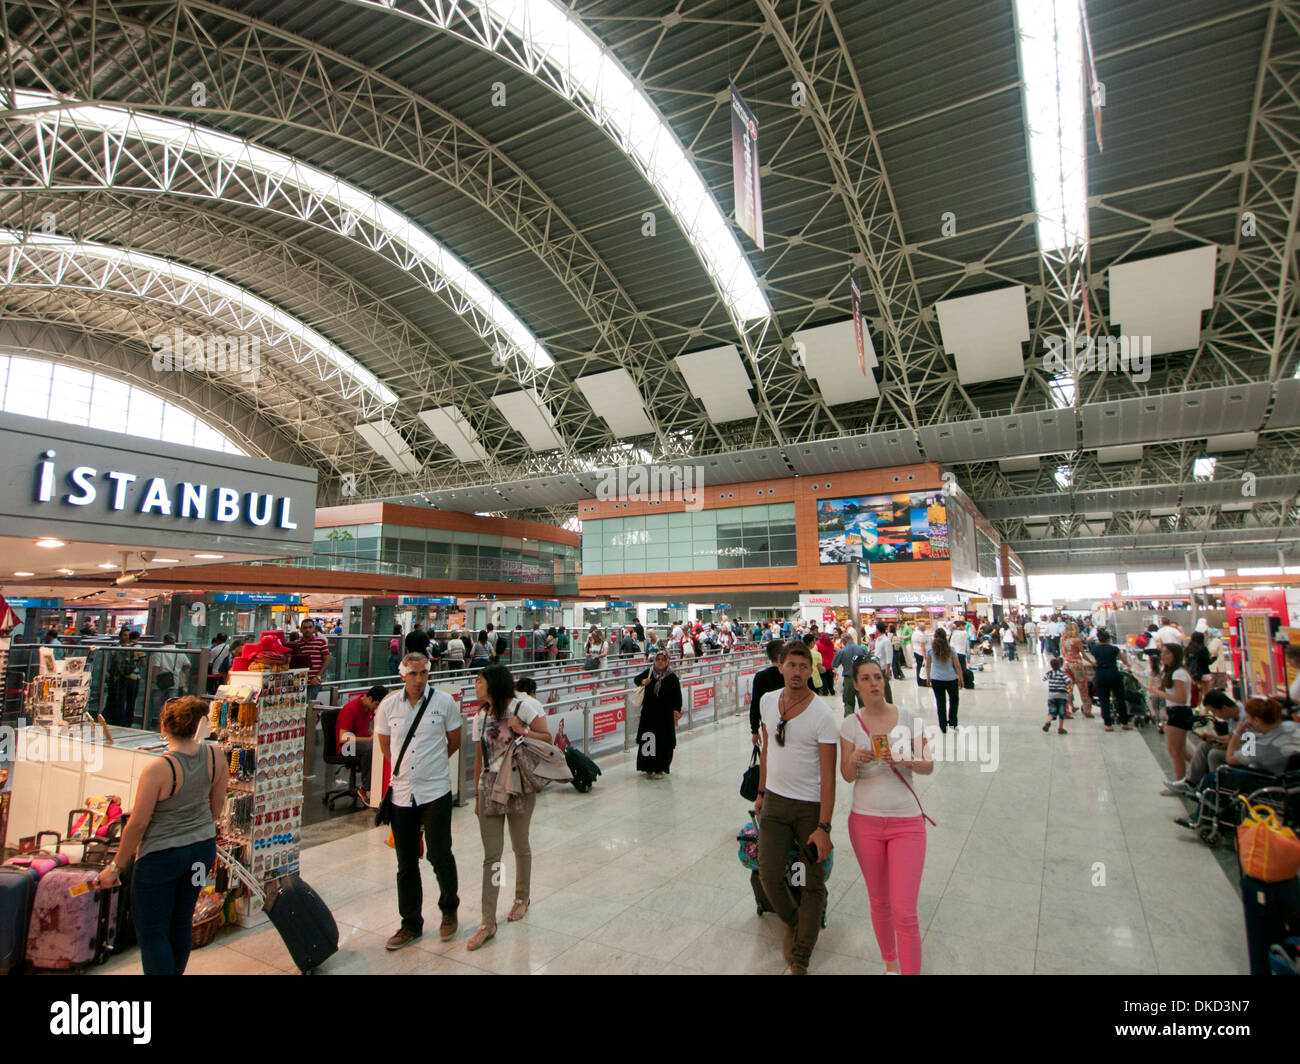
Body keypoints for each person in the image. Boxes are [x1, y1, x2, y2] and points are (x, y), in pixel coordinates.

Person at [91, 696, 226, 974]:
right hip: (202, 853)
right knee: (182, 918)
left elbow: (138, 824)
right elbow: (217, 807)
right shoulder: (216, 755)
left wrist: (116, 866)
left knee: (152, 931)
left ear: (164, 726)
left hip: (161, 859)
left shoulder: (158, 769)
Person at [840, 660, 934, 975]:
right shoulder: (850, 725)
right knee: (879, 901)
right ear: (856, 685)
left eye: (877, 677)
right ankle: (890, 964)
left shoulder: (909, 718)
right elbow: (847, 776)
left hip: (906, 823)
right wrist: (853, 758)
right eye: (865, 679)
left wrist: (905, 758)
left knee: (905, 911)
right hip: (865, 822)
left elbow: (927, 764)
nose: (873, 683)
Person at [754, 642, 838, 975]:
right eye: (791, 665)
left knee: (812, 882)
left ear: (811, 670)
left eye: (804, 667)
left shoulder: (822, 715)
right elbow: (767, 751)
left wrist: (825, 826)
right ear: (780, 666)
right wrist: (760, 793)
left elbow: (829, 778)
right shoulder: (767, 702)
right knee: (769, 874)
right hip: (774, 801)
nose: (797, 672)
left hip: (809, 808)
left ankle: (801, 955)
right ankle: (795, 921)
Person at [375, 653, 462, 950]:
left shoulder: (444, 703)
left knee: (439, 854)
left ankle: (449, 909)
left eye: (424, 673)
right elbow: (386, 747)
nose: (419, 679)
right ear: (402, 675)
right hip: (402, 794)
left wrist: (432, 767)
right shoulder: (388, 706)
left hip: (435, 791)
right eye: (413, 674)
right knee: (406, 863)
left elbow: (454, 741)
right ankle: (410, 923)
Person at [467, 664, 551, 951]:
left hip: (519, 785)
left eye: (479, 681)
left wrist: (523, 730)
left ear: (493, 683)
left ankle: (521, 896)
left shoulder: (524, 706)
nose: (475, 685)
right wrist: (477, 794)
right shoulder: (481, 715)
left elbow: (547, 739)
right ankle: (487, 921)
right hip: (490, 787)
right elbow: (479, 757)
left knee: (519, 844)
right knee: (492, 856)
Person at [1162, 689, 1240, 795]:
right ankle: (1190, 783)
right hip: (1242, 748)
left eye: (1214, 712)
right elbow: (1233, 737)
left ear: (1224, 708)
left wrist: (1227, 745)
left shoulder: (1245, 720)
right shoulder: (1232, 717)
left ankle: (1217, 789)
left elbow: (1248, 746)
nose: (1215, 715)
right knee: (1205, 745)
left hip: (1246, 752)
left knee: (1214, 754)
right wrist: (1215, 738)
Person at [1147, 643, 1194, 791]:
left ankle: (1181, 783)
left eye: (1167, 653)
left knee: (1175, 750)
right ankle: (1197, 773)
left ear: (1175, 655)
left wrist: (1159, 693)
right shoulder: (1173, 672)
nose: (1163, 656)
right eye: (1162, 652)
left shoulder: (1178, 673)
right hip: (1178, 712)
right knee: (1180, 750)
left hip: (1179, 712)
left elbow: (1181, 698)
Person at [634, 651, 683, 779]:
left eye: (663, 659)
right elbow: (636, 679)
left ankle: (660, 768)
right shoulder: (649, 672)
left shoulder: (672, 677)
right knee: (649, 739)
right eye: (658, 659)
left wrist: (677, 709)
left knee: (663, 742)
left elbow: (677, 696)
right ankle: (648, 767)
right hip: (649, 714)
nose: (660, 662)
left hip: (665, 716)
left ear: (667, 661)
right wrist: (643, 681)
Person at [338, 683, 387, 800]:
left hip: (361, 742)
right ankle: (366, 787)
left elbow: (366, 729)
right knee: (370, 749)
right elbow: (343, 737)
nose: (376, 708)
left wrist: (376, 735)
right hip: (346, 747)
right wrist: (369, 739)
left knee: (382, 745)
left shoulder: (368, 709)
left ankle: (379, 784)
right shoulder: (350, 709)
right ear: (369, 698)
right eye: (376, 705)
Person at [1090, 629, 1130, 732]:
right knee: (1120, 698)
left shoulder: (1095, 649)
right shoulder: (1114, 649)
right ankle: (1124, 722)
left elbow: (1095, 660)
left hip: (1100, 675)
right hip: (1113, 674)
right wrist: (1129, 666)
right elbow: (1125, 661)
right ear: (1109, 639)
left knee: (1104, 699)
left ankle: (1108, 724)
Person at [149, 635, 191, 727]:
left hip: (160, 681)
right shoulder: (180, 652)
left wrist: (152, 680)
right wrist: (179, 669)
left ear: (164, 641)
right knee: (172, 704)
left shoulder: (160, 651)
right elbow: (188, 664)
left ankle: (159, 723)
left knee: (159, 705)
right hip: (174, 681)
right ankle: (170, 724)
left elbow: (156, 667)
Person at [750, 640, 786, 747]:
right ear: (781, 656)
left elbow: (755, 705)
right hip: (788, 720)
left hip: (767, 722)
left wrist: (754, 730)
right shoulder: (789, 674)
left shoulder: (760, 677)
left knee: (768, 750)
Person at [925, 627, 961, 733]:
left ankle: (943, 726)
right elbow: (957, 665)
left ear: (935, 637)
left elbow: (928, 665)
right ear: (946, 637)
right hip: (951, 679)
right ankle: (953, 723)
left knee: (940, 702)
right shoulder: (951, 649)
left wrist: (928, 677)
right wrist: (961, 678)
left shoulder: (931, 650)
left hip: (936, 679)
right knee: (954, 701)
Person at [832, 635, 872, 716]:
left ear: (844, 641)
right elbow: (870, 662)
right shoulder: (862, 649)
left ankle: (849, 722)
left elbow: (834, 664)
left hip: (848, 679)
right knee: (863, 702)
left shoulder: (842, 651)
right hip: (861, 679)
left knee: (848, 703)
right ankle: (865, 722)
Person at [1061, 623, 1093, 718]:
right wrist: (1092, 662)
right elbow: (1083, 654)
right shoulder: (1076, 640)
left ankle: (1065, 711)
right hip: (1077, 666)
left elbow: (1063, 654)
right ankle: (1087, 711)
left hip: (1066, 665)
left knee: (1068, 689)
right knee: (1083, 689)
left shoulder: (1063, 640)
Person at [297, 618, 331, 703]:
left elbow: (327, 660)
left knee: (309, 707)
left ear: (314, 629)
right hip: (299, 683)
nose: (307, 630)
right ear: (301, 629)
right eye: (305, 627)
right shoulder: (296, 644)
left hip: (314, 683)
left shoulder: (321, 642)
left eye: (310, 627)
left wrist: (318, 676)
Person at [1042, 657, 1071, 734]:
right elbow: (1069, 681)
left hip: (1051, 696)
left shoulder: (1049, 673)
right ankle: (1060, 728)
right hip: (1061, 696)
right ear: (1059, 665)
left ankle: (1048, 722)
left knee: (1052, 711)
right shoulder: (1062, 674)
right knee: (1062, 712)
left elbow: (1044, 679)